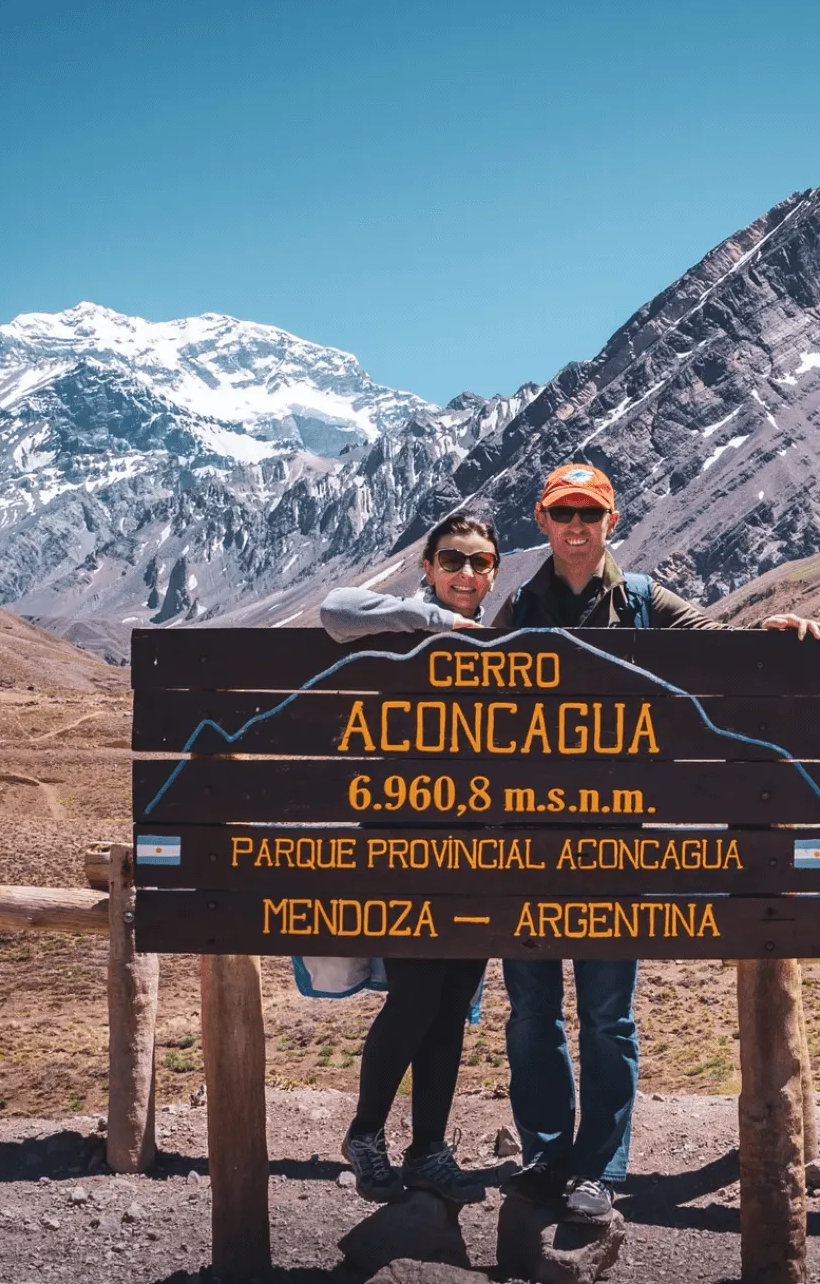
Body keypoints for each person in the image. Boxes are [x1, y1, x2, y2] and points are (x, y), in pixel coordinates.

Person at [491, 461, 820, 1226]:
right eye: (562, 513)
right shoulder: (519, 607)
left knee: (607, 1016)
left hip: (617, 849)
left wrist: (773, 638)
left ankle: (598, 1169)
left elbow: (718, 650)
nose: (576, 527)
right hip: (527, 849)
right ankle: (544, 1155)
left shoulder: (644, 601)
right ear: (542, 522)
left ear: (611, 522)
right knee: (531, 1012)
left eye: (589, 514)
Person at [319, 511, 501, 1206]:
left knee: (451, 1006)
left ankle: (429, 1149)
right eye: (451, 559)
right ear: (427, 567)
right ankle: (366, 1133)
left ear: (494, 573)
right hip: (403, 852)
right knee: (417, 994)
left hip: (477, 856)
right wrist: (432, 622)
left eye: (479, 562)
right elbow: (334, 609)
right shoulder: (394, 626)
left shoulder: (502, 636)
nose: (465, 573)